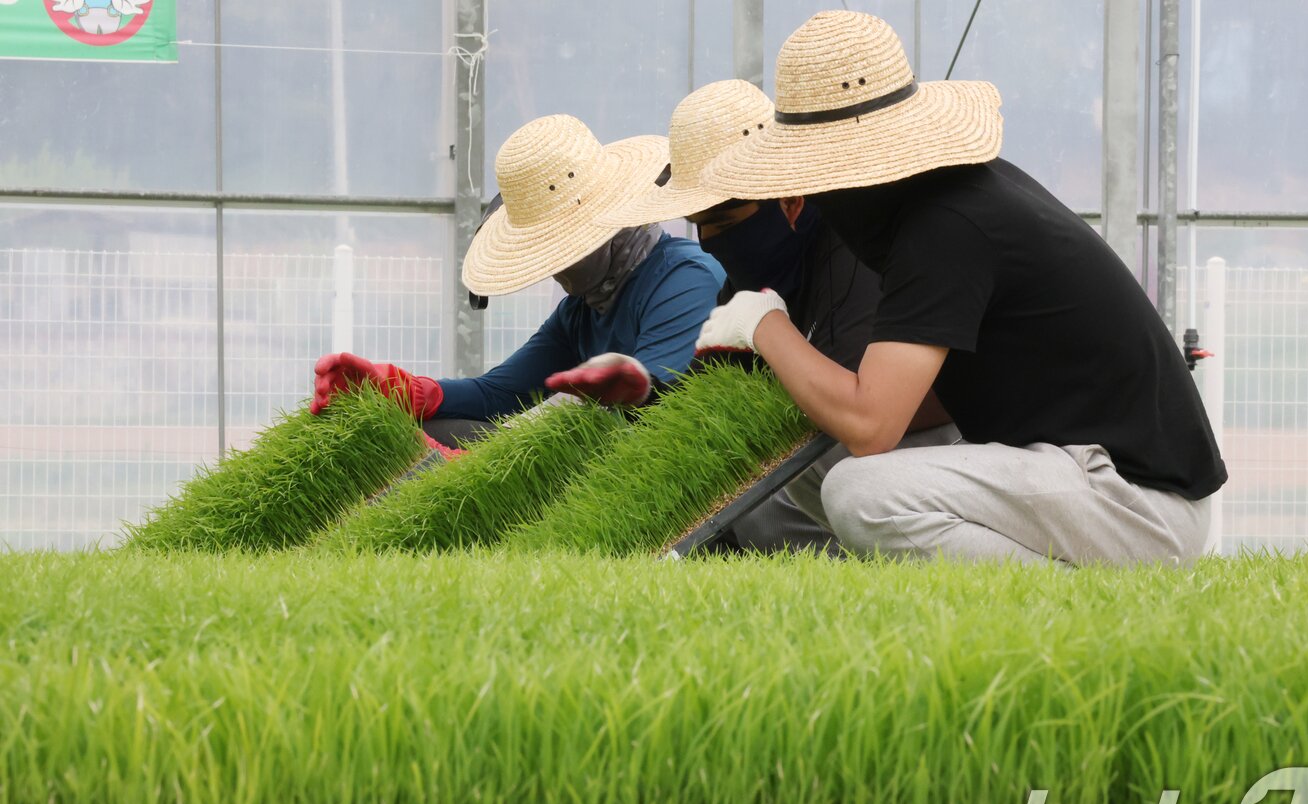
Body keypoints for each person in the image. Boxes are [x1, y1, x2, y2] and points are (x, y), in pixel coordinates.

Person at [692, 10, 1227, 566]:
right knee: (813, 467)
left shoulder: (945, 226)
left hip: (1138, 503)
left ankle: (1085, 601)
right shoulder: (945, 200)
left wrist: (761, 324)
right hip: (1075, 471)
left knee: (857, 492)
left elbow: (871, 425)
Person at [547, 79, 912, 552]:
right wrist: (646, 393)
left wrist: (768, 329)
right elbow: (714, 387)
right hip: (854, 444)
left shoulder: (853, 253)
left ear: (789, 199)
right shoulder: (750, 271)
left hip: (926, 442)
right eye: (702, 228)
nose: (714, 242)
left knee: (769, 506)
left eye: (724, 222)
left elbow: (855, 416)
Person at [311, 114, 724, 447]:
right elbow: (498, 395)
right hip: (610, 458)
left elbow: (649, 415)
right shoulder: (579, 311)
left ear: (609, 223)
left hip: (685, 481)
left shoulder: (684, 279)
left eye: (562, 246)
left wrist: (495, 471)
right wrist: (413, 391)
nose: (555, 268)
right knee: (437, 429)